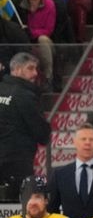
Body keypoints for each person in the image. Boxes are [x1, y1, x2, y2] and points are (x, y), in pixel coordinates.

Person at [0, 52, 50, 200]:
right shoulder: (25, 96)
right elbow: (43, 134)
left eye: (36, 69)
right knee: (17, 210)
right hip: (17, 165)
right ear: (16, 69)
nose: (35, 73)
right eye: (30, 68)